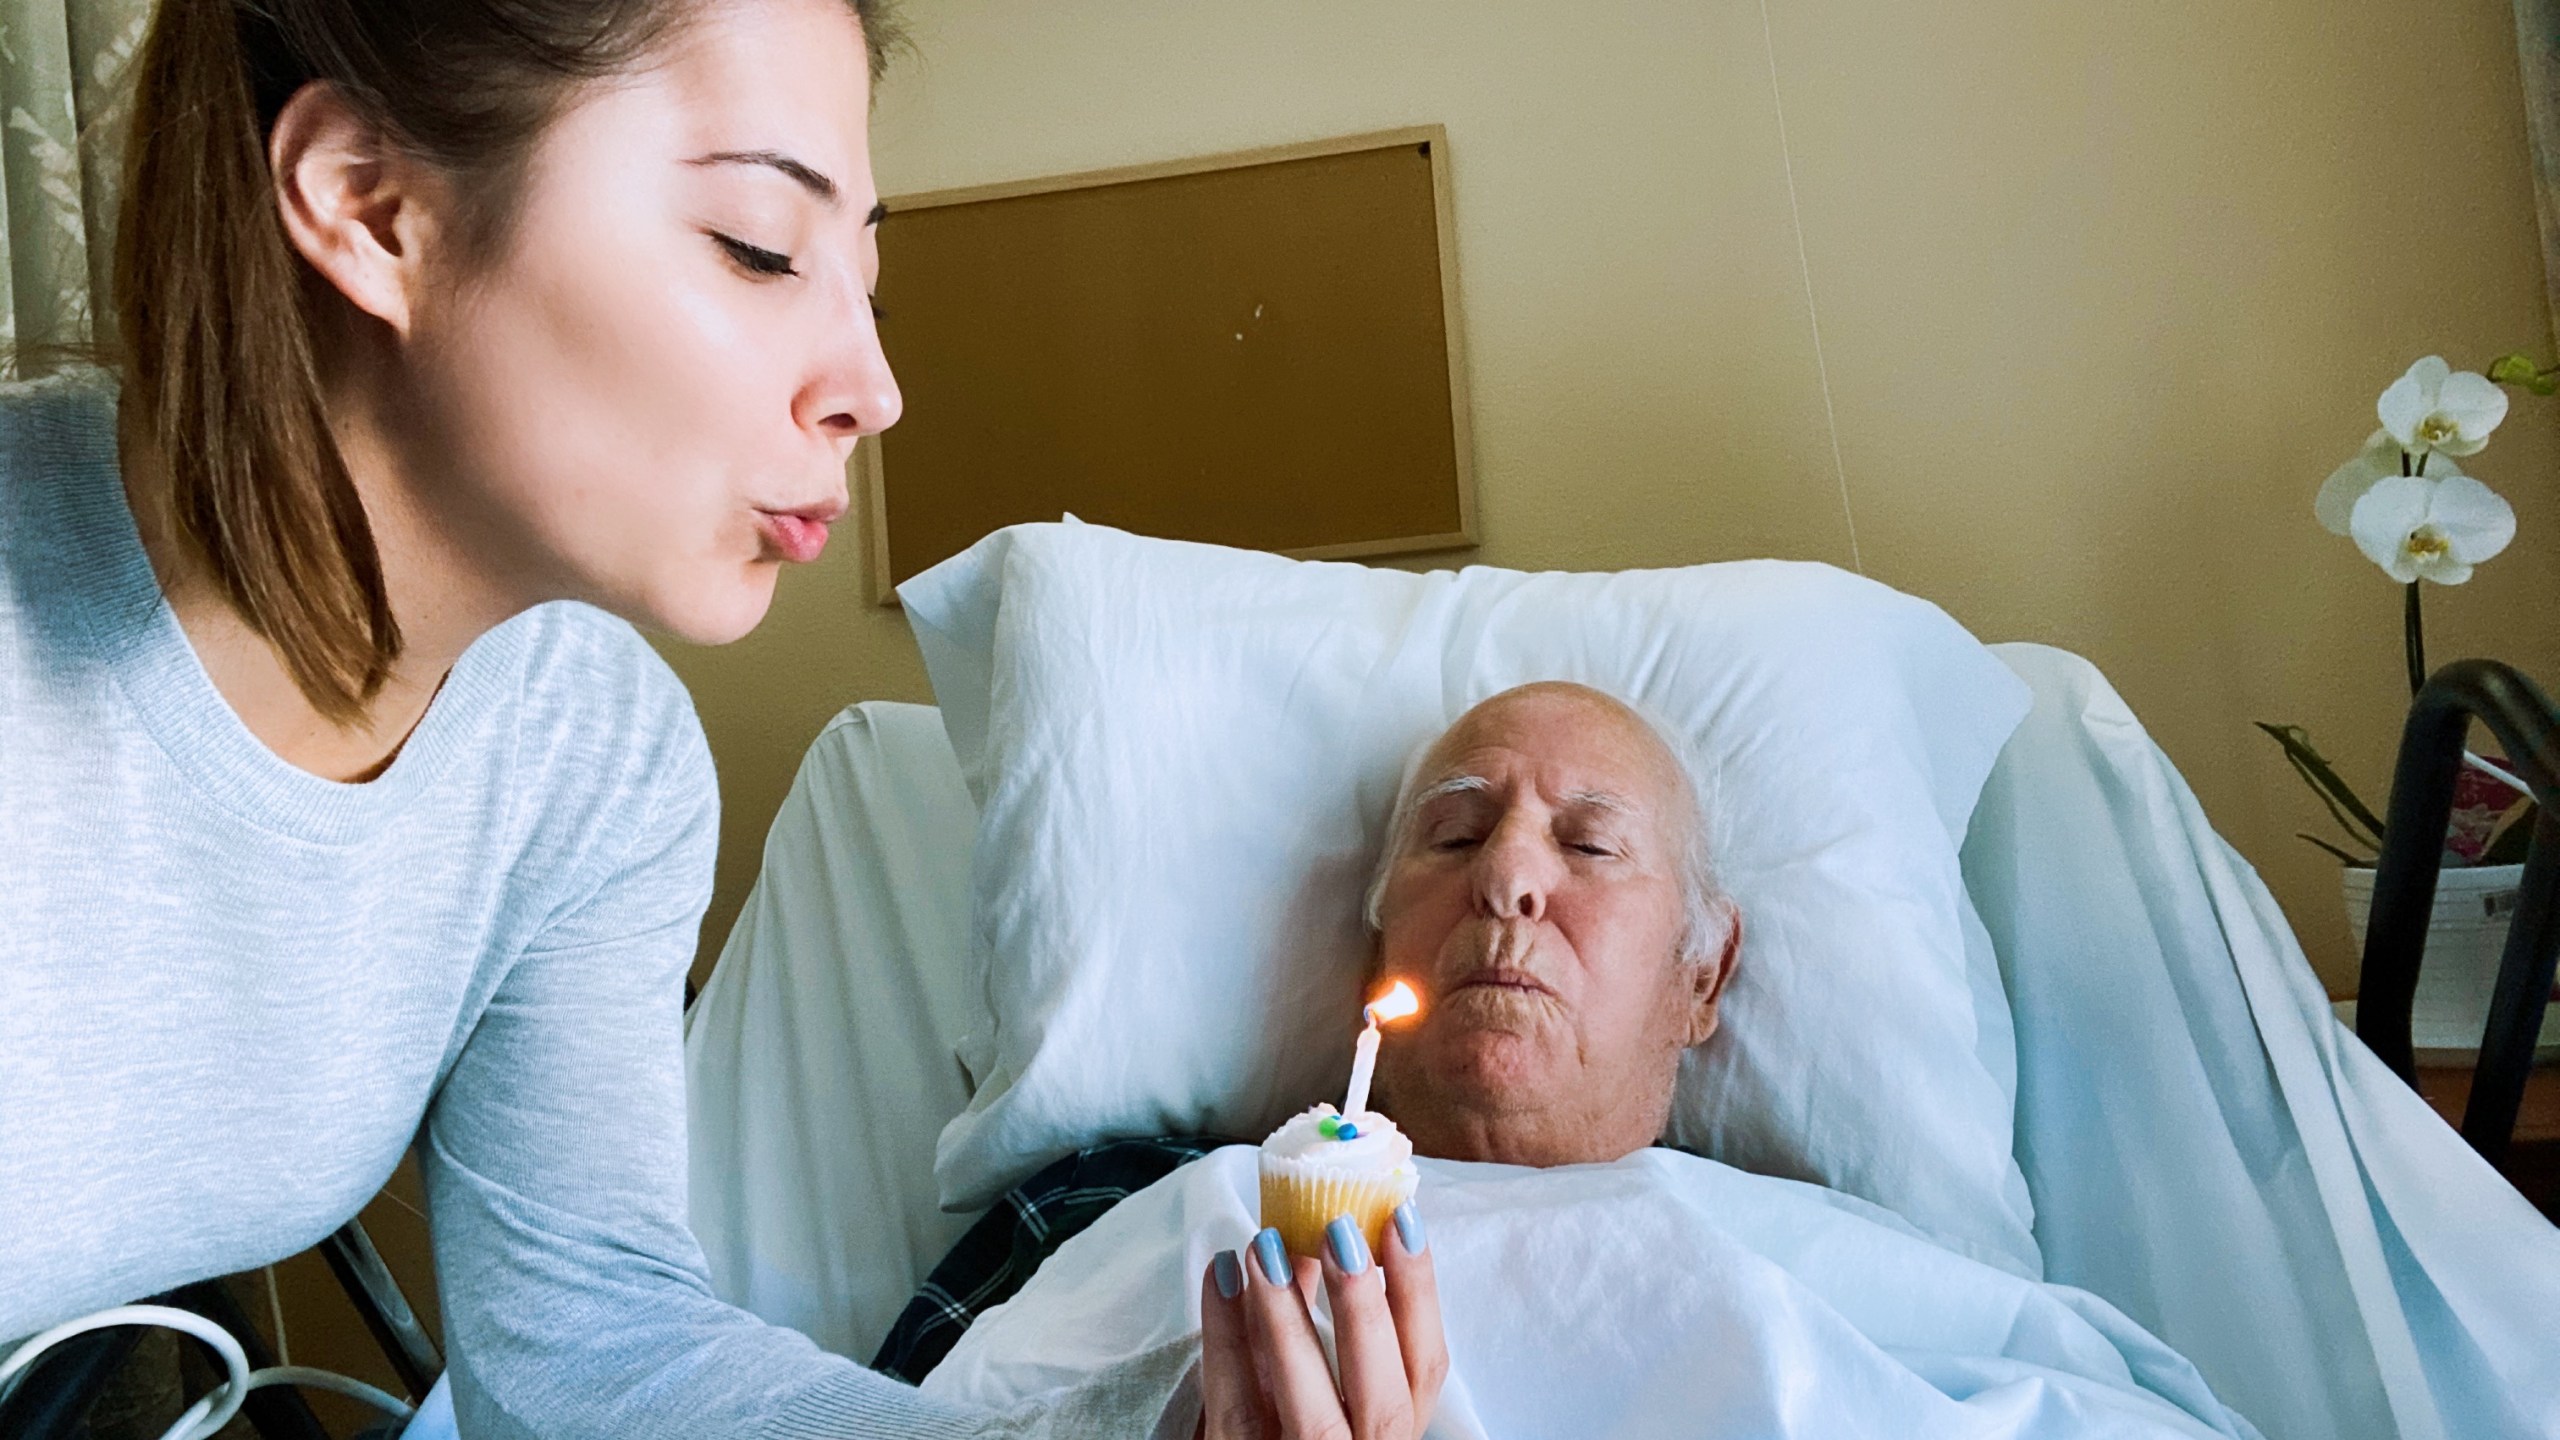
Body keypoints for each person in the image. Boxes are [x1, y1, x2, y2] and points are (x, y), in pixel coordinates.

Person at [0, 1, 1437, 1436]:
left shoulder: (593, 754)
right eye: (760, 247)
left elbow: (590, 1348)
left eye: (865, 280)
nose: (873, 392)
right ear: (373, 209)